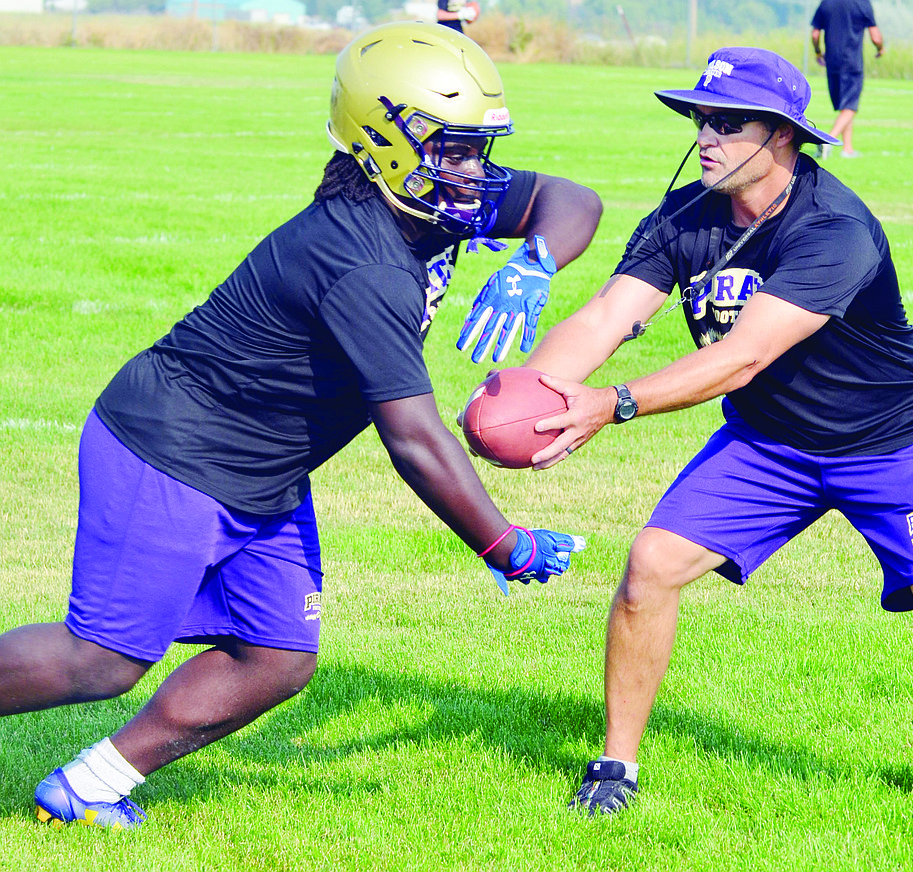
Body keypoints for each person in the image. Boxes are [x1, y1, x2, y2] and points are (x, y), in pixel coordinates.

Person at [516, 46, 913, 816]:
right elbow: (602, 319)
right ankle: (615, 768)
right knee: (651, 565)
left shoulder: (835, 228)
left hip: (893, 443)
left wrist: (614, 404)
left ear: (784, 136)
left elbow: (741, 357)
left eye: (729, 123)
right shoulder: (683, 217)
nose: (706, 137)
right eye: (700, 119)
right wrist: (538, 394)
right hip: (771, 446)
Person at [2, 22, 598, 830]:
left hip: (263, 468)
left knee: (276, 653)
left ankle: (91, 783)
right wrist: (503, 542)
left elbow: (570, 200)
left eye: (478, 148)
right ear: (386, 145)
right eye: (453, 149)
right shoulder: (365, 261)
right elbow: (416, 442)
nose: (474, 172)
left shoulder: (425, 200)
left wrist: (536, 260)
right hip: (172, 450)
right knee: (102, 658)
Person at [810, 0, 883, 158]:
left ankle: (848, 149)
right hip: (851, 62)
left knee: (844, 107)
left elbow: (815, 34)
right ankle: (827, 141)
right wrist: (880, 48)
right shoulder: (862, 3)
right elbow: (875, 37)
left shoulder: (826, 3)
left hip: (832, 62)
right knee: (850, 105)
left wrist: (817, 52)